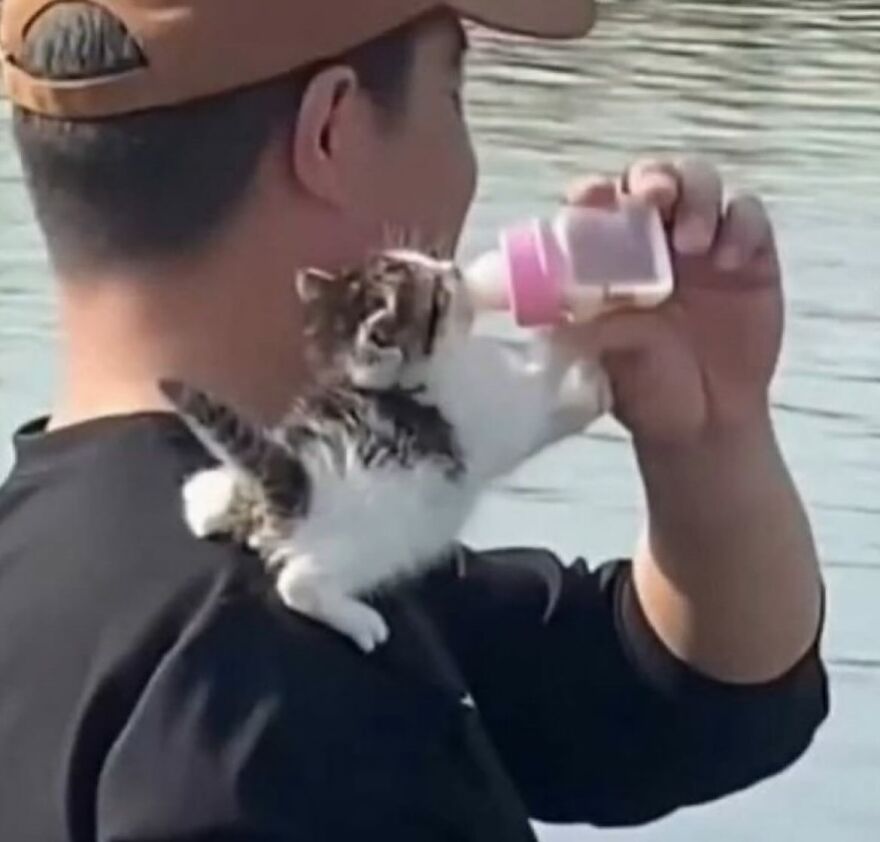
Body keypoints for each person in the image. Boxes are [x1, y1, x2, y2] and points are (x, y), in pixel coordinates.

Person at [0, 1, 828, 840]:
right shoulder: (275, 698)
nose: (472, 175)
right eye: (455, 95)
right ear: (333, 131)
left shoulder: (216, 573)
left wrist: (712, 434)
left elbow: (689, 708)